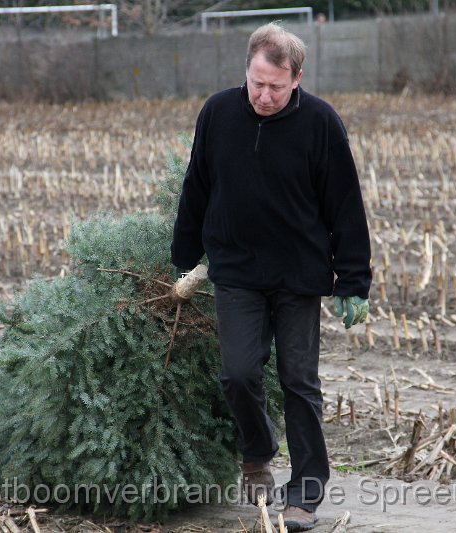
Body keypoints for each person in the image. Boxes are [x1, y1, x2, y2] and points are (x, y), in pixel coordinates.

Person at [171, 22, 371, 532]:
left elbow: (345, 204)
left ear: (296, 79)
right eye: (256, 83)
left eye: (275, 87)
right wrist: (184, 252)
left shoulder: (321, 124)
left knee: (299, 382)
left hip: (298, 275)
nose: (263, 95)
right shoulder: (218, 113)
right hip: (236, 269)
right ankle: (256, 456)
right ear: (247, 70)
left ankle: (304, 494)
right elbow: (198, 182)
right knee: (238, 373)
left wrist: (353, 280)